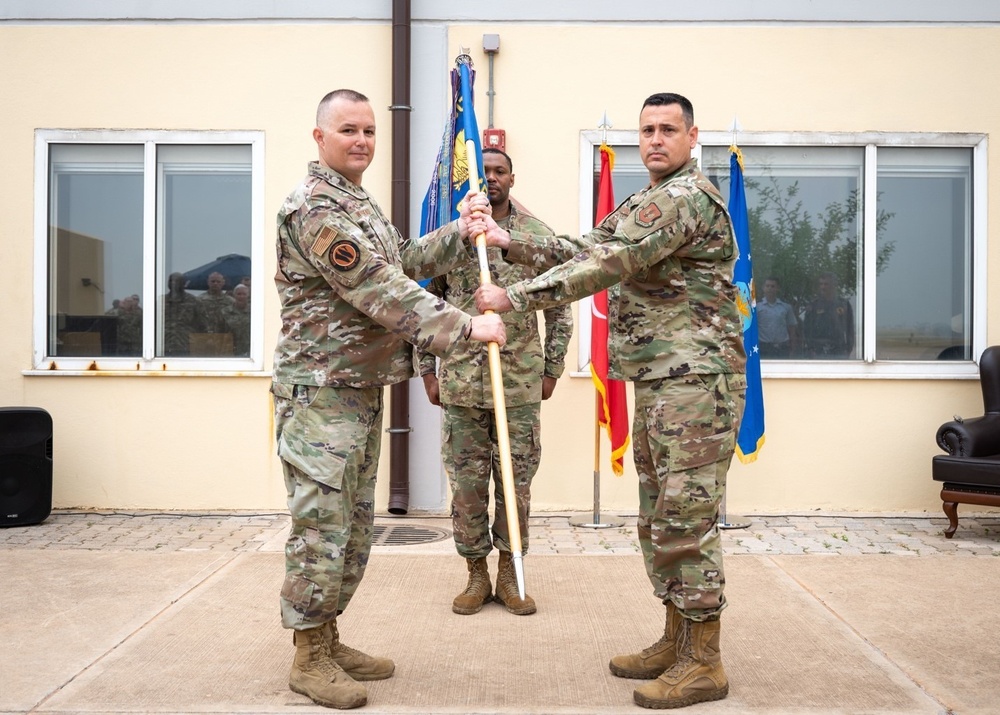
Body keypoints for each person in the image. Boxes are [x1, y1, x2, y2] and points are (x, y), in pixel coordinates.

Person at [471, 92, 747, 710]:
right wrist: (508, 241)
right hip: (661, 380)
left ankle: (705, 660)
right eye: (646, 130)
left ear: (692, 135)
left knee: (685, 520)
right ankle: (677, 640)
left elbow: (609, 262)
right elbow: (588, 248)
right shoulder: (649, 198)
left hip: (694, 383)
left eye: (667, 130)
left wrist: (516, 298)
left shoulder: (683, 199)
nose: (654, 140)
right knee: (658, 516)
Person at [271, 88, 505, 710]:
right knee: (320, 527)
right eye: (348, 129)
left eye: (370, 131)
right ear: (319, 137)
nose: (362, 141)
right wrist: (464, 327)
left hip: (357, 389)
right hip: (322, 394)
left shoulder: (358, 203)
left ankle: (328, 634)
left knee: (350, 528)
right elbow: (376, 288)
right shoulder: (316, 209)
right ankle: (308, 655)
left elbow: (398, 262)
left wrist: (459, 232)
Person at [417, 148, 573, 617]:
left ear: (512, 177)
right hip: (462, 381)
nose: (492, 179)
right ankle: (475, 574)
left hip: (519, 380)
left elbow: (560, 305)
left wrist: (552, 369)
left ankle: (509, 571)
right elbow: (424, 306)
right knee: (466, 485)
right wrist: (427, 369)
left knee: (514, 482)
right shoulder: (450, 241)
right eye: (483, 172)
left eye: (499, 171)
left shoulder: (534, 237)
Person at [801, 271, 854, 358]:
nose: (823, 287)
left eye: (826, 284)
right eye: (821, 284)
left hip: (838, 349)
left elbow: (850, 329)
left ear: (834, 285)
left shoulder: (843, 304)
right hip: (818, 350)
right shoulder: (813, 305)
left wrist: (848, 349)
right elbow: (807, 330)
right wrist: (810, 349)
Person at [163, 272, 206, 356]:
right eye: (171, 281)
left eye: (177, 281)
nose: (173, 284)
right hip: (163, 347)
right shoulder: (162, 301)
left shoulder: (193, 301)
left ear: (183, 283)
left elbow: (203, 324)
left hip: (186, 346)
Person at [756, 276, 798, 358]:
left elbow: (792, 330)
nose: (770, 288)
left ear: (778, 288)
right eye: (767, 286)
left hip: (782, 348)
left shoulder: (786, 307)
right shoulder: (756, 308)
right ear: (763, 288)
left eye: (773, 286)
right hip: (763, 348)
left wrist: (793, 350)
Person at [222, 284, 251, 356]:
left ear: (248, 295)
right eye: (239, 294)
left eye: (244, 294)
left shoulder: (254, 311)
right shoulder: (225, 312)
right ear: (234, 295)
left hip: (251, 351)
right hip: (231, 351)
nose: (241, 296)